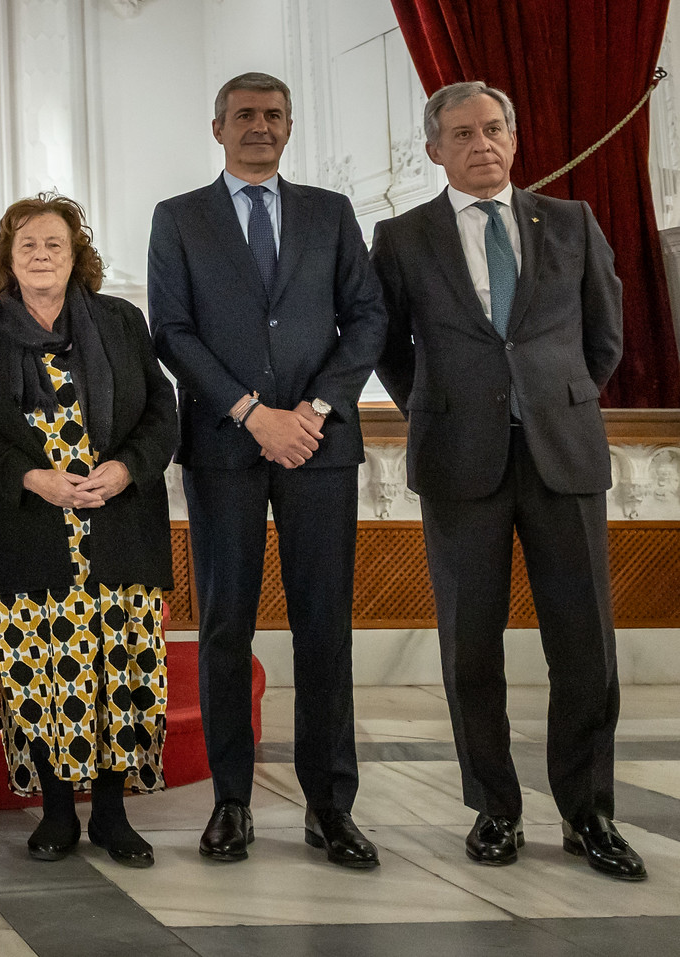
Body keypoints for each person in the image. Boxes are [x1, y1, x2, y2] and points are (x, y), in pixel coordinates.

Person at [371, 82, 640, 880]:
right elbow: (388, 346)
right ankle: (494, 808)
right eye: (461, 133)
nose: (480, 143)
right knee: (469, 645)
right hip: (459, 458)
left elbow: (603, 336)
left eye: (492, 129)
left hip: (562, 452)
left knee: (584, 644)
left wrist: (554, 398)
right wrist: (442, 405)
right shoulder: (401, 236)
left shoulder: (570, 221)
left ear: (514, 139)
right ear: (434, 150)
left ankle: (587, 813)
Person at [146, 72, 385, 868]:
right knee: (224, 624)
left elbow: (367, 317)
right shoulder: (178, 217)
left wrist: (312, 410)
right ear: (216, 127)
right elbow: (170, 330)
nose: (260, 126)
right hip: (224, 445)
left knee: (324, 625)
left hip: (319, 446)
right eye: (244, 114)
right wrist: (252, 413)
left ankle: (330, 806)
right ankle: (231, 802)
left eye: (273, 115)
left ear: (288, 126)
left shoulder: (330, 211)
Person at [0, 195, 178, 867]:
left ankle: (111, 814)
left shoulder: (120, 321)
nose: (41, 255)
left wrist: (125, 469)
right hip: (32, 527)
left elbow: (161, 412)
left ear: (76, 254)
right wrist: (33, 479)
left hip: (120, 524)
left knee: (120, 674)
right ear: (7, 257)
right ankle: (55, 812)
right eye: (27, 244)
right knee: (42, 677)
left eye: (54, 243)